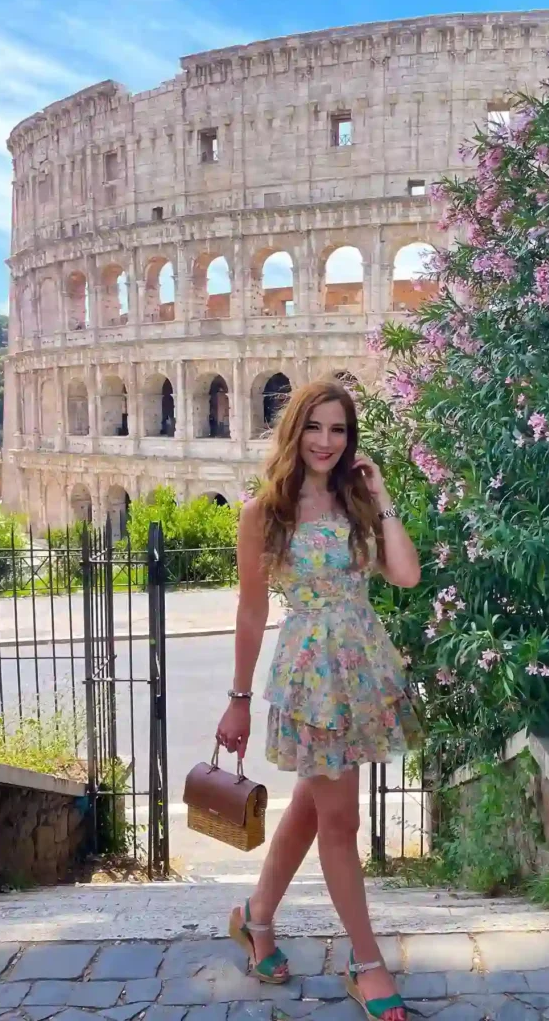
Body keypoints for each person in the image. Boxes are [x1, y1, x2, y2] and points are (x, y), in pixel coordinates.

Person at [215, 379, 421, 1021]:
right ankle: (366, 962)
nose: (325, 442)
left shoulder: (359, 503)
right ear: (294, 431)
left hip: (360, 670)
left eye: (338, 430)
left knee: (315, 802)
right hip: (310, 678)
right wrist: (239, 698)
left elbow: (407, 574)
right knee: (340, 820)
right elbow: (250, 612)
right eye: (314, 428)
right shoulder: (265, 513)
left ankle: (255, 918)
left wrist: (383, 494)